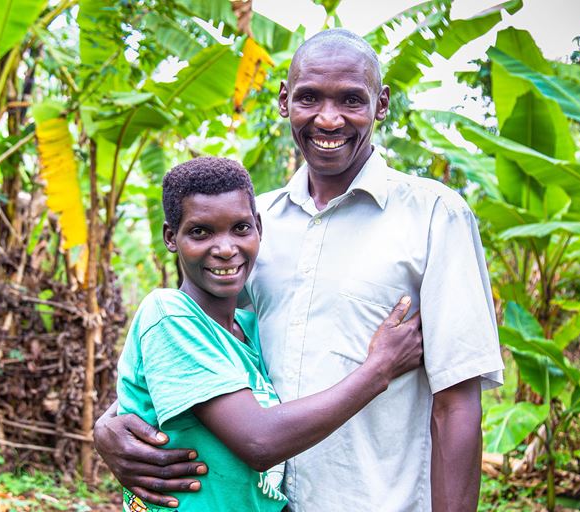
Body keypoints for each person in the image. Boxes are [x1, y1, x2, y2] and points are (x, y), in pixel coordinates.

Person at [96, 29, 504, 512]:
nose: (328, 119)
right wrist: (110, 425)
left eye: (351, 99)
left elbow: (457, 405)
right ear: (286, 101)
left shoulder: (435, 216)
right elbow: (203, 345)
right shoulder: (251, 226)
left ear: (381, 104)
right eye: (310, 97)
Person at [116, 156, 422, 511]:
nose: (226, 248)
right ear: (172, 237)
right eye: (201, 231)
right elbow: (260, 442)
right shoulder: (168, 315)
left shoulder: (250, 331)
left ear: (259, 227)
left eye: (240, 228)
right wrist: (379, 368)